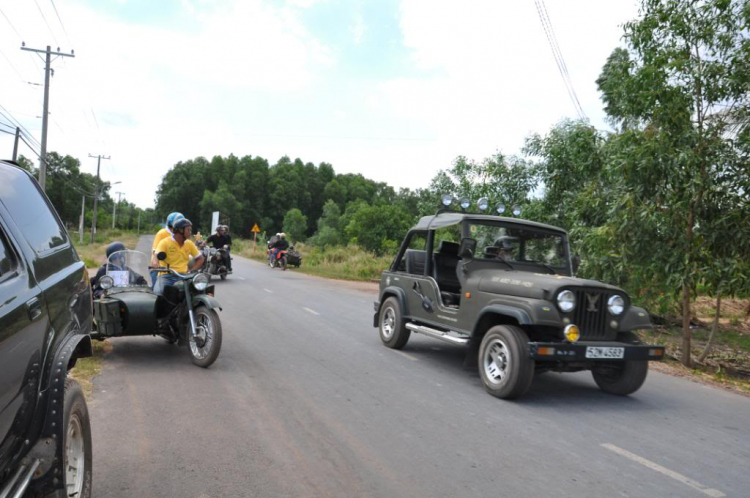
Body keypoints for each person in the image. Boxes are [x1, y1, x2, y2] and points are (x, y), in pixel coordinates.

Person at [154, 218, 205, 292]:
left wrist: (191, 271)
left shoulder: (189, 243)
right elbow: (156, 255)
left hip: (184, 276)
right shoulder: (165, 242)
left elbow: (200, 259)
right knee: (159, 292)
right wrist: (155, 262)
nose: (190, 232)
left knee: (200, 289)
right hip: (167, 276)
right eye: (188, 230)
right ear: (180, 230)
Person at [151, 212, 184, 285]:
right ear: (171, 225)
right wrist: (155, 261)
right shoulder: (162, 233)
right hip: (162, 268)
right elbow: (155, 250)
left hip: (177, 267)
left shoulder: (182, 235)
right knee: (157, 291)